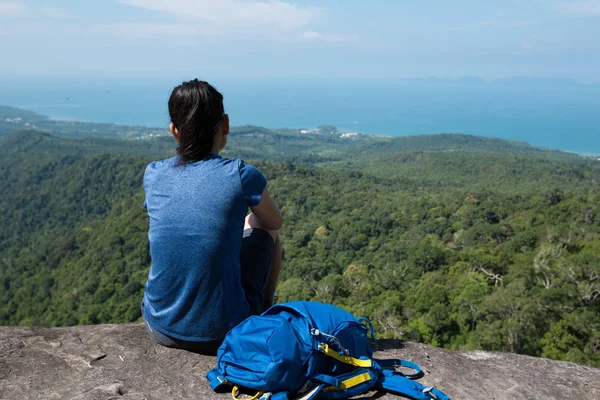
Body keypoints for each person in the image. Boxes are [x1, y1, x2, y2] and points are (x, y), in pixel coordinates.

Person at [140, 79, 282, 354]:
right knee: (261, 224)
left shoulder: (153, 173)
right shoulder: (240, 174)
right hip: (224, 331)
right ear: (226, 125)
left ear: (174, 131)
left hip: (158, 325)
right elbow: (275, 222)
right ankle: (265, 305)